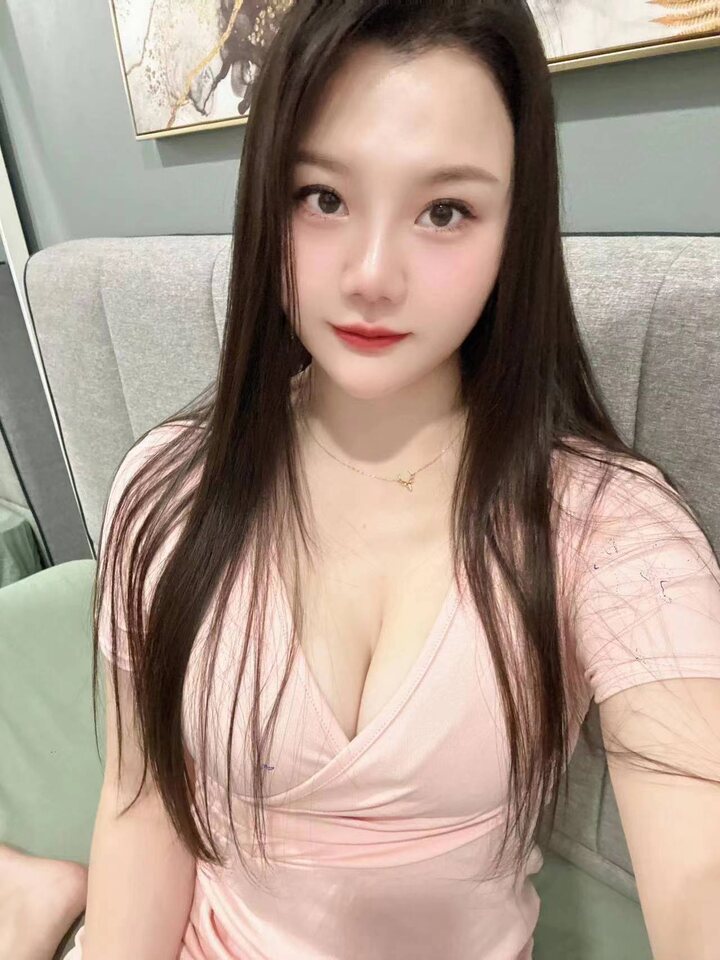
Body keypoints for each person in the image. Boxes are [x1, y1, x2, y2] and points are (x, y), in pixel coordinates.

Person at [6, 1, 720, 958]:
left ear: (515, 228)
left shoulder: (609, 529)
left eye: (444, 211)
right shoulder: (169, 491)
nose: (372, 274)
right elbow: (143, 803)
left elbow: (698, 856)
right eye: (323, 198)